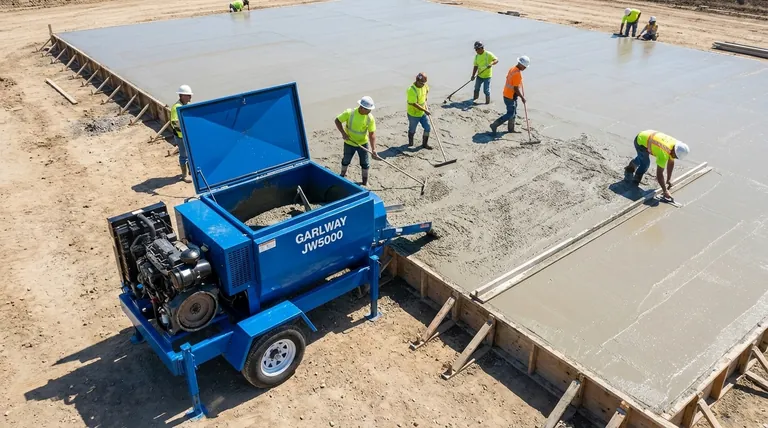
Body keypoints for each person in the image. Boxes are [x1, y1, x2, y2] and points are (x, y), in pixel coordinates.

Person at [625, 130, 690, 200]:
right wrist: (665, 191)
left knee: (642, 157)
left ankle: (630, 167)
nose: (674, 158)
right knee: (645, 164)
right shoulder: (664, 152)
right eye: (675, 156)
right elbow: (659, 174)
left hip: (647, 137)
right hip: (640, 141)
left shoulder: (675, 146)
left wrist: (668, 179)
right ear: (674, 151)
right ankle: (635, 180)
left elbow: (671, 162)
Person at [334, 96, 378, 186]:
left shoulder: (370, 118)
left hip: (363, 143)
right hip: (349, 142)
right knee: (346, 160)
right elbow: (337, 120)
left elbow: (371, 134)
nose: (370, 111)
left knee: (365, 163)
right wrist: (343, 133)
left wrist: (373, 149)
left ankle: (364, 181)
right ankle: (342, 174)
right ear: (362, 107)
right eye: (368, 109)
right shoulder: (350, 113)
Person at [489, 56, 529, 136]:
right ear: (521, 64)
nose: (525, 68)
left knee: (513, 113)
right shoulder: (517, 73)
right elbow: (516, 89)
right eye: (524, 66)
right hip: (510, 96)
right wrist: (522, 98)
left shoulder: (513, 69)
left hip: (508, 94)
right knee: (510, 113)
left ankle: (511, 129)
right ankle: (494, 125)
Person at [170, 85, 193, 182]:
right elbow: (175, 123)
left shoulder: (184, 106)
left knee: (190, 154)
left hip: (186, 135)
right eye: (188, 95)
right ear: (182, 96)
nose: (190, 97)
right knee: (184, 155)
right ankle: (184, 175)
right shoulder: (177, 107)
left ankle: (190, 171)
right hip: (181, 136)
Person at [406, 72, 433, 150]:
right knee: (412, 130)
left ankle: (425, 144)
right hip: (413, 114)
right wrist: (425, 110)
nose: (423, 84)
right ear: (417, 81)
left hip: (422, 112)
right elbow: (414, 104)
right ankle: (410, 144)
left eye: (424, 83)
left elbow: (427, 91)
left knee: (427, 128)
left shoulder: (425, 86)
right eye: (422, 83)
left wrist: (425, 98)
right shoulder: (411, 90)